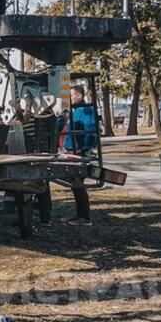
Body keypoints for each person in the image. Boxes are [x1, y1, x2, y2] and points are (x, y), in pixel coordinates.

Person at [58, 85, 94, 224]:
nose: (69, 98)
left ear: (79, 95)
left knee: (78, 183)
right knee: (74, 183)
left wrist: (82, 148)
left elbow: (90, 132)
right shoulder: (73, 111)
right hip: (71, 150)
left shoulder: (86, 110)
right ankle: (80, 215)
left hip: (79, 151)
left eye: (71, 95)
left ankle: (84, 217)